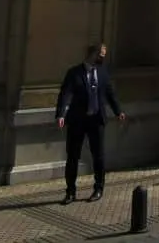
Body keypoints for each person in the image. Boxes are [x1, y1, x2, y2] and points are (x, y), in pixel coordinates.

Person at [55, 43, 126, 204]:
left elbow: (110, 93)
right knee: (73, 156)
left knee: (98, 156)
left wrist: (118, 111)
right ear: (93, 54)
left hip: (96, 120)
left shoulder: (102, 73)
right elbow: (65, 94)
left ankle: (98, 188)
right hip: (77, 120)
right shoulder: (74, 73)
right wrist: (61, 115)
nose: (103, 57)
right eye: (101, 54)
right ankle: (70, 191)